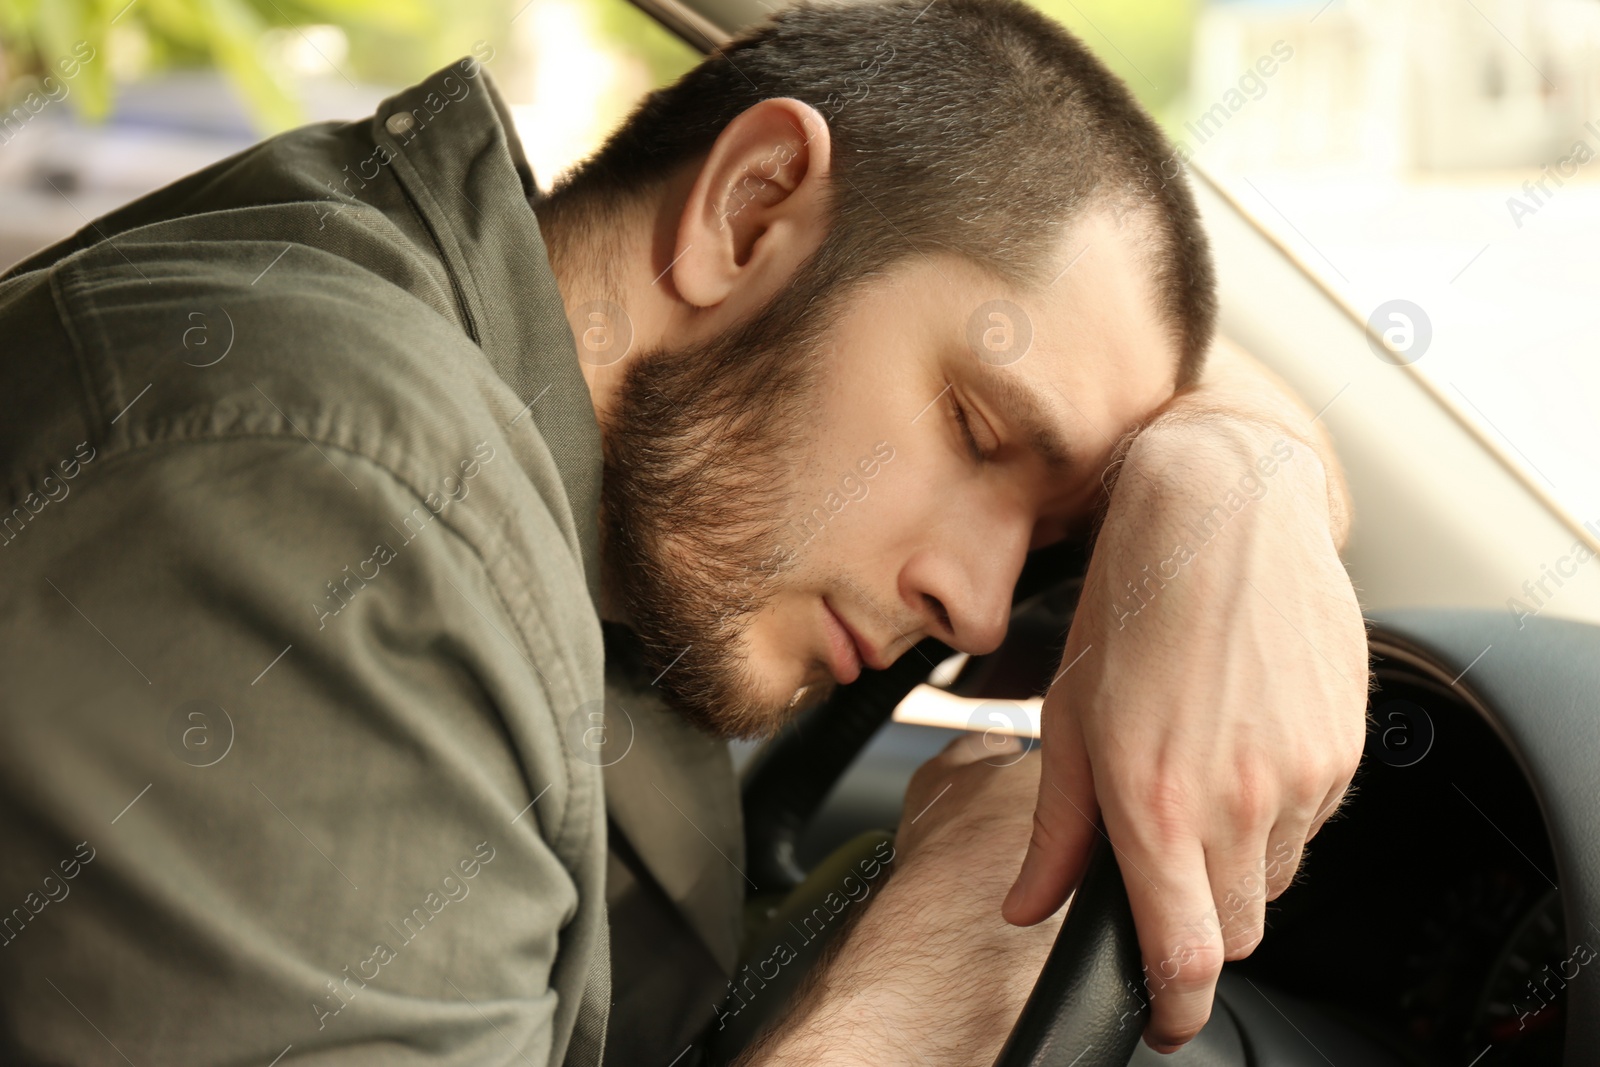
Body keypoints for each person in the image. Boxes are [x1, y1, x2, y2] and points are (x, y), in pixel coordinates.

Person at [0, 0, 1367, 1063]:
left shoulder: (525, 458)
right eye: (977, 430)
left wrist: (1233, 479)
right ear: (751, 209)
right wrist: (950, 954)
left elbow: (1135, 374)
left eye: (1051, 530)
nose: (986, 612)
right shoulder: (333, 512)